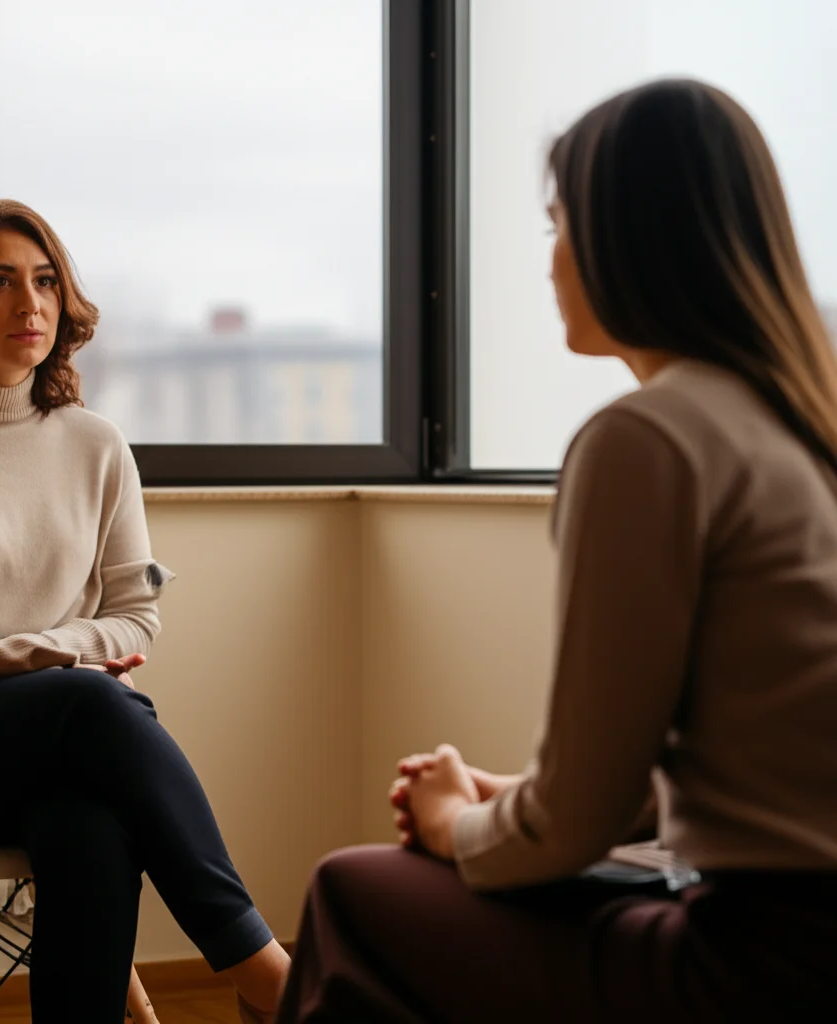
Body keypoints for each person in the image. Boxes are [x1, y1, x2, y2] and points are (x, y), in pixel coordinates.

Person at [276, 78, 837, 1022]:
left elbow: (574, 825)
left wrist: (455, 822)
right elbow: (726, 768)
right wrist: (515, 800)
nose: (550, 263)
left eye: (557, 226)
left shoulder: (649, 440)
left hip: (765, 963)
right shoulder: (802, 427)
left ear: (627, 238)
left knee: (350, 891)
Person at [0, 198, 289, 1024]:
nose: (30, 303)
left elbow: (135, 613)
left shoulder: (97, 445)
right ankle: (265, 971)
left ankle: (256, 976)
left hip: (55, 739)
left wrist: (60, 665)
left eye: (44, 281)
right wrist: (63, 659)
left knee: (89, 823)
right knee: (93, 701)